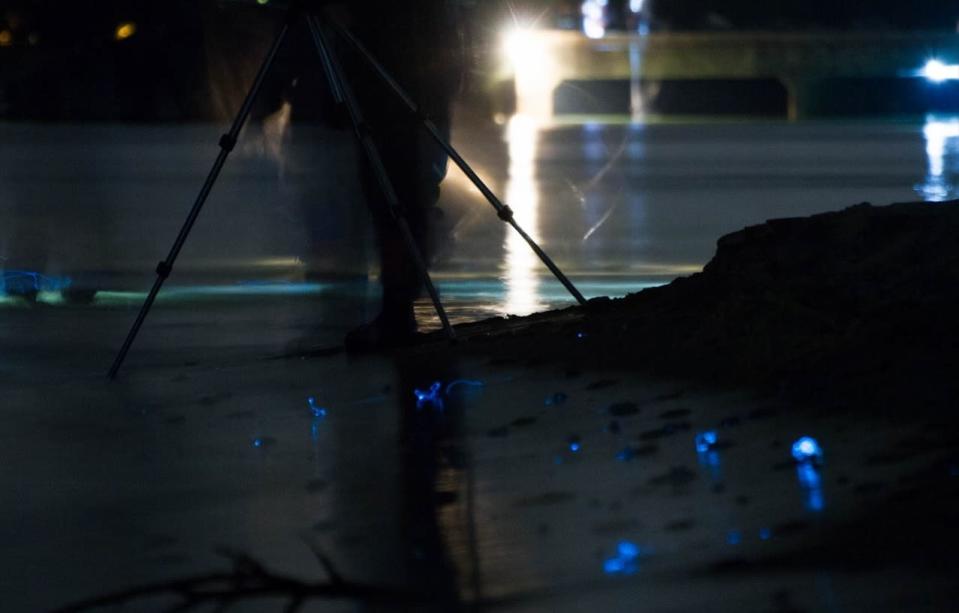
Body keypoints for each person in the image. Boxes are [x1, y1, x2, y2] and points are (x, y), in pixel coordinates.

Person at [330, 1, 466, 351]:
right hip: (411, 66)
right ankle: (398, 301)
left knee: (395, 190)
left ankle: (397, 307)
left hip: (396, 69)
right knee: (400, 188)